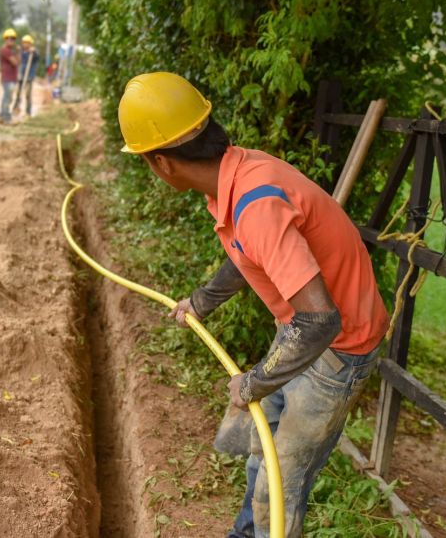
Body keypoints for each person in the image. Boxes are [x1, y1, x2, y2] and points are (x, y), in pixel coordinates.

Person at [117, 72, 389, 538]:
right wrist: (202, 302)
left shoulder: (255, 202)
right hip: (302, 330)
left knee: (277, 490)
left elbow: (321, 320)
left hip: (338, 347)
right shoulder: (238, 175)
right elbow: (247, 255)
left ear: (162, 163)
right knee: (259, 455)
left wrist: (254, 383)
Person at [0, 28, 19, 124]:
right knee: (8, 98)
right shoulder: (5, 50)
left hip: (11, 78)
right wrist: (18, 53)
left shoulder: (11, 51)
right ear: (5, 39)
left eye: (13, 39)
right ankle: (6, 117)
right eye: (9, 39)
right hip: (7, 78)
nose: (11, 41)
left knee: (7, 97)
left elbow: (17, 61)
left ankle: (2, 115)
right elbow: (15, 62)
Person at [18, 35, 40, 116]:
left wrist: (34, 52)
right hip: (21, 76)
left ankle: (28, 112)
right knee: (18, 93)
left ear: (30, 44)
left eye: (27, 43)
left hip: (29, 77)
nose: (25, 45)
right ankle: (16, 107)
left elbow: (37, 56)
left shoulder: (33, 53)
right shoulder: (22, 52)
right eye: (24, 43)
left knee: (28, 95)